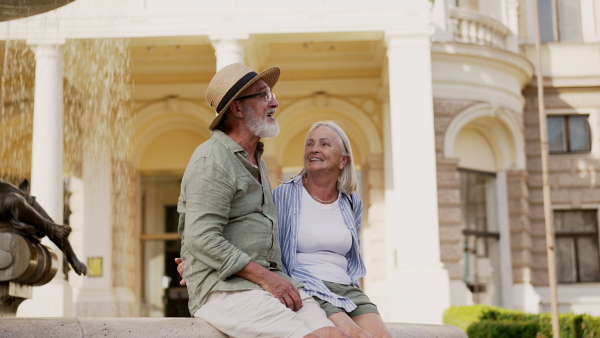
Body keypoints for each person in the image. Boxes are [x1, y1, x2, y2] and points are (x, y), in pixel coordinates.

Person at [177, 62, 347, 338]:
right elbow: (201, 238)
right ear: (237, 108)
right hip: (227, 289)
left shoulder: (256, 159)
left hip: (268, 284)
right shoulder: (212, 160)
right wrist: (267, 279)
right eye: (264, 95)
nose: (275, 102)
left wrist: (274, 280)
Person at [273, 121, 392, 338]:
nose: (314, 149)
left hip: (347, 287)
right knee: (357, 335)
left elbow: (350, 255)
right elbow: (275, 250)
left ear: (343, 160)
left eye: (324, 144)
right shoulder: (284, 195)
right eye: (310, 144)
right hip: (308, 286)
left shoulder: (352, 203)